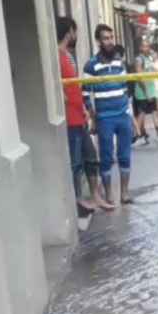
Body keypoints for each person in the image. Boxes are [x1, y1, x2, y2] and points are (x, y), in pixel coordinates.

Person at [57, 16, 112, 214]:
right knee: (75, 162)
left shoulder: (68, 56)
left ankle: (95, 197)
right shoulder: (57, 56)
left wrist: (85, 109)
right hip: (70, 119)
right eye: (75, 31)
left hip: (78, 117)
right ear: (69, 31)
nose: (76, 35)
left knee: (90, 158)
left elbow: (75, 88)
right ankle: (78, 201)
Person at [84, 24, 136, 204]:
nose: (110, 41)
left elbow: (125, 90)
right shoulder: (91, 65)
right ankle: (108, 195)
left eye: (111, 37)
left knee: (125, 155)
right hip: (104, 118)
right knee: (106, 157)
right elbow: (85, 94)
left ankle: (124, 193)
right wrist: (93, 116)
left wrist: (131, 117)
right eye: (105, 38)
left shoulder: (119, 62)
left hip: (122, 115)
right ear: (98, 41)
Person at [131, 39, 158, 145]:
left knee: (155, 113)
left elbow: (153, 69)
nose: (147, 48)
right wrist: (146, 93)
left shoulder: (148, 59)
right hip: (143, 93)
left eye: (148, 46)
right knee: (141, 114)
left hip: (151, 91)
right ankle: (138, 136)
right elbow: (140, 77)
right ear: (140, 48)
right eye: (144, 46)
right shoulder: (139, 59)